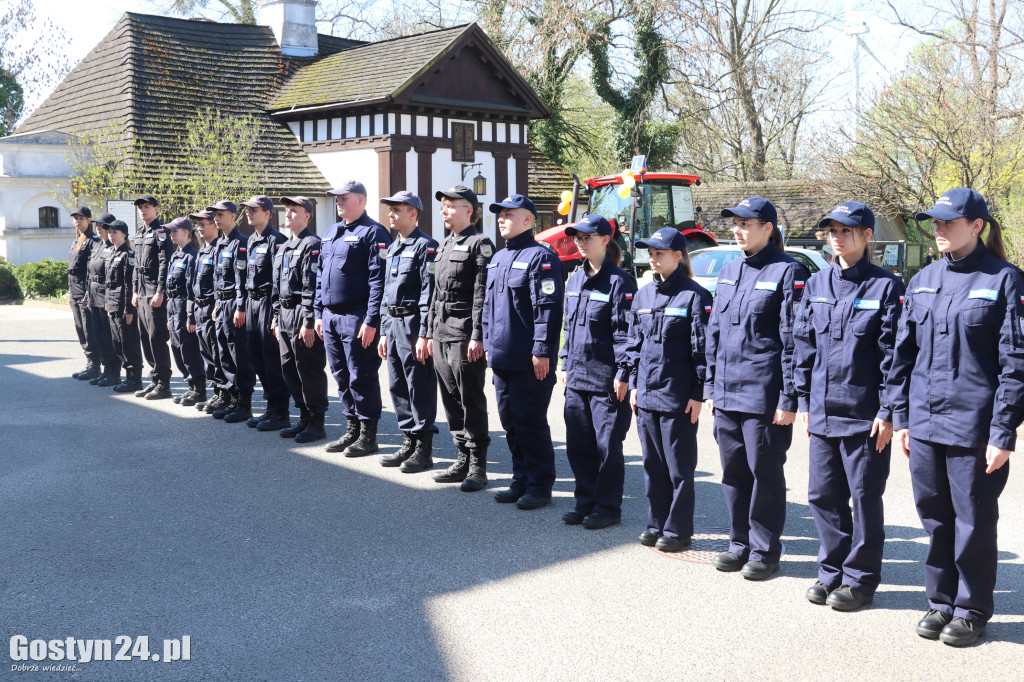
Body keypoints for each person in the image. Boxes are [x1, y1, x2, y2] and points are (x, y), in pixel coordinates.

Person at [888, 188, 1024, 646]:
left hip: (974, 426)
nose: (939, 229)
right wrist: (901, 416)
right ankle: (940, 602)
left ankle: (971, 610)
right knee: (935, 518)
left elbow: (1016, 363)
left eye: (949, 222)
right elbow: (902, 356)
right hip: (925, 423)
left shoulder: (1005, 280)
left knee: (973, 522)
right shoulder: (923, 279)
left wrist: (1003, 431)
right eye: (935, 222)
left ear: (977, 226)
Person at [794, 201, 904, 611]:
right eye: (832, 230)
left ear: (867, 235)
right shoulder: (818, 284)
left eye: (847, 230)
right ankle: (831, 572)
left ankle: (859, 579)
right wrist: (804, 399)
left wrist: (888, 410)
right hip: (822, 412)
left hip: (865, 416)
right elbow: (802, 346)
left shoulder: (886, 286)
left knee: (864, 497)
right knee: (823, 497)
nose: (837, 237)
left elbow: (895, 357)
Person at [704, 197, 807, 580]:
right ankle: (738, 543)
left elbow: (794, 338)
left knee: (764, 473)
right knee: (732, 473)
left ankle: (765, 551)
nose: (738, 229)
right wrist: (711, 386)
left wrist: (789, 396)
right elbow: (714, 333)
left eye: (746, 223)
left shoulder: (788, 272)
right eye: (735, 223)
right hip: (728, 392)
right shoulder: (729, 270)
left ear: (768, 228)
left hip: (764, 394)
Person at [625, 227, 711, 549]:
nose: (653, 258)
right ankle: (655, 522)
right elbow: (635, 344)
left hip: (678, 397)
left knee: (679, 468)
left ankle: (677, 531)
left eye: (659, 253)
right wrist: (634, 384)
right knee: (652, 466)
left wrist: (698, 394)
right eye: (651, 253)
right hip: (647, 395)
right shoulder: (644, 294)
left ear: (678, 256)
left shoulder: (695, 295)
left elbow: (702, 351)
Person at [483, 194, 564, 510]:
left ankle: (540, 486)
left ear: (528, 220)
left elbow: (547, 308)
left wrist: (543, 351)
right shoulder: (498, 258)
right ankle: (520, 480)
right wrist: (488, 344)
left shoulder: (541, 258)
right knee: (510, 423)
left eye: (509, 215)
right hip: (502, 357)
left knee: (530, 423)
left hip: (530, 360)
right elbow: (489, 308)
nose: (502, 219)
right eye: (500, 215)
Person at [559, 214, 636, 530]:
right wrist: (564, 363)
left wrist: (624, 373)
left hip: (606, 380)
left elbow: (627, 333)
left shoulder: (620, 281)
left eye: (586, 237)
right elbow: (568, 326)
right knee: (579, 445)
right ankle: (585, 502)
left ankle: (607, 508)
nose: (580, 241)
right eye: (577, 237)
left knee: (606, 446)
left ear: (605, 240)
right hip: (577, 376)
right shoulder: (575, 278)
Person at [426, 185, 494, 492]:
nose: (444, 209)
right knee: (451, 399)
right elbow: (434, 295)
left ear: (470, 209)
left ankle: (478, 465)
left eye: (452, 204)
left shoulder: (480, 243)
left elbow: (482, 295)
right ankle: (462, 458)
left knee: (471, 399)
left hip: (464, 332)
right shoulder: (444, 244)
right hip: (441, 331)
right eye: (443, 205)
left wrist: (477, 335)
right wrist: (427, 332)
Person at [317, 180, 392, 456]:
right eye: (336, 199)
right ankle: (352, 429)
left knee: (361, 375)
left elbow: (378, 281)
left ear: (360, 200)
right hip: (330, 316)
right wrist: (317, 313)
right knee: (340, 374)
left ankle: (368, 435)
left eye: (343, 198)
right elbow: (320, 275)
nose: (338, 202)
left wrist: (372, 320)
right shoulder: (332, 232)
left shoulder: (374, 232)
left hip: (357, 317)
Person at [376, 191, 439, 472]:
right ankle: (409, 441)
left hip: (413, 324)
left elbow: (429, 294)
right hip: (393, 324)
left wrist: (425, 334)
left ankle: (423, 450)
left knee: (418, 385)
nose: (391, 214)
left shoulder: (427, 247)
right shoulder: (392, 247)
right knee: (397, 384)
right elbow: (386, 292)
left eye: (397, 210)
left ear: (413, 214)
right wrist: (383, 331)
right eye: (390, 209)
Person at [272, 197, 329, 443]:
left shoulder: (311, 244)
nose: (288, 214)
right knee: (288, 367)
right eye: (286, 210)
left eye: (294, 210)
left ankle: (317, 422)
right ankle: (303, 416)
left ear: (307, 216)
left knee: (308, 367)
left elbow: (311, 286)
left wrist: (308, 321)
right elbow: (276, 286)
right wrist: (275, 316)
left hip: (300, 313)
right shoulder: (285, 246)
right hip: (283, 314)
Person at [240, 196, 289, 430]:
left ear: (267, 213)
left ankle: (281, 411)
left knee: (272, 358)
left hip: (268, 303)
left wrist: (275, 314)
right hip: (252, 302)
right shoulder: (252, 239)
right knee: (256, 357)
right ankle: (270, 407)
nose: (248, 213)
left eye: (253, 210)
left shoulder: (276, 240)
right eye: (247, 210)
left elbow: (279, 280)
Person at [209, 199, 256, 423]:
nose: (216, 219)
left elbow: (241, 279)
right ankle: (233, 398)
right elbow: (218, 278)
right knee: (224, 353)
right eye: (215, 215)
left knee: (239, 354)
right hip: (222, 303)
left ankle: (244, 404)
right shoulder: (219, 243)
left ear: (233, 216)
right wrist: (217, 305)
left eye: (221, 214)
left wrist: (239, 306)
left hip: (235, 305)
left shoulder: (240, 242)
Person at [132, 194, 174, 400]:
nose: (143, 210)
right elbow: (135, 265)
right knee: (145, 338)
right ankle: (155, 380)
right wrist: (134, 290)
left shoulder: (161, 232)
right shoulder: (140, 233)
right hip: (141, 292)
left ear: (157, 209)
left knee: (156, 337)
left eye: (147, 207)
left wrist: (160, 291)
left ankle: (164, 383)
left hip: (154, 292)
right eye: (140, 207)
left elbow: (165, 263)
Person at [164, 217, 206, 406]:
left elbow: (191, 290)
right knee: (177, 347)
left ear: (186, 232)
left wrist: (190, 317)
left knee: (189, 348)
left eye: (175, 231)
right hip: (173, 306)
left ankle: (199, 389)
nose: (171, 235)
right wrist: (168, 315)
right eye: (170, 231)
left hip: (184, 307)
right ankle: (190, 385)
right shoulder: (176, 255)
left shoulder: (192, 256)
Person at [104, 220, 143, 393]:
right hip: (112, 305)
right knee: (117, 343)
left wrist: (129, 309)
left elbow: (130, 284)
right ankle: (127, 377)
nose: (111, 235)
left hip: (123, 305)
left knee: (129, 343)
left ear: (124, 234)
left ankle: (134, 379)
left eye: (115, 232)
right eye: (110, 232)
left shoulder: (128, 254)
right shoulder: (112, 252)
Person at [188, 210, 221, 412]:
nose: (199, 228)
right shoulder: (202, 250)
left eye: (203, 224)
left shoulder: (219, 248)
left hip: (212, 307)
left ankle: (222, 393)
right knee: (207, 353)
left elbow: (221, 281)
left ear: (214, 225)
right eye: (197, 225)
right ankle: (215, 391)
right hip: (200, 306)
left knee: (218, 353)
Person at [84, 213, 120, 387]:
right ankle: (106, 370)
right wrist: (88, 294)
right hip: (94, 295)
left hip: (106, 296)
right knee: (99, 336)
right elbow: (90, 272)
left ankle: (114, 372)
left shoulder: (113, 248)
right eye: (96, 226)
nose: (98, 229)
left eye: (102, 226)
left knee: (108, 337)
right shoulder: (98, 245)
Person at [68, 206, 102, 381]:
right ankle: (90, 362)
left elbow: (91, 270)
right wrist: (69, 291)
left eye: (81, 218)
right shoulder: (78, 239)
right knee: (80, 328)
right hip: (75, 290)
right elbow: (71, 269)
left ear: (89, 220)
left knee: (89, 330)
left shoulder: (92, 240)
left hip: (84, 291)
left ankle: (94, 365)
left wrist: (88, 293)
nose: (77, 221)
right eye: (76, 218)